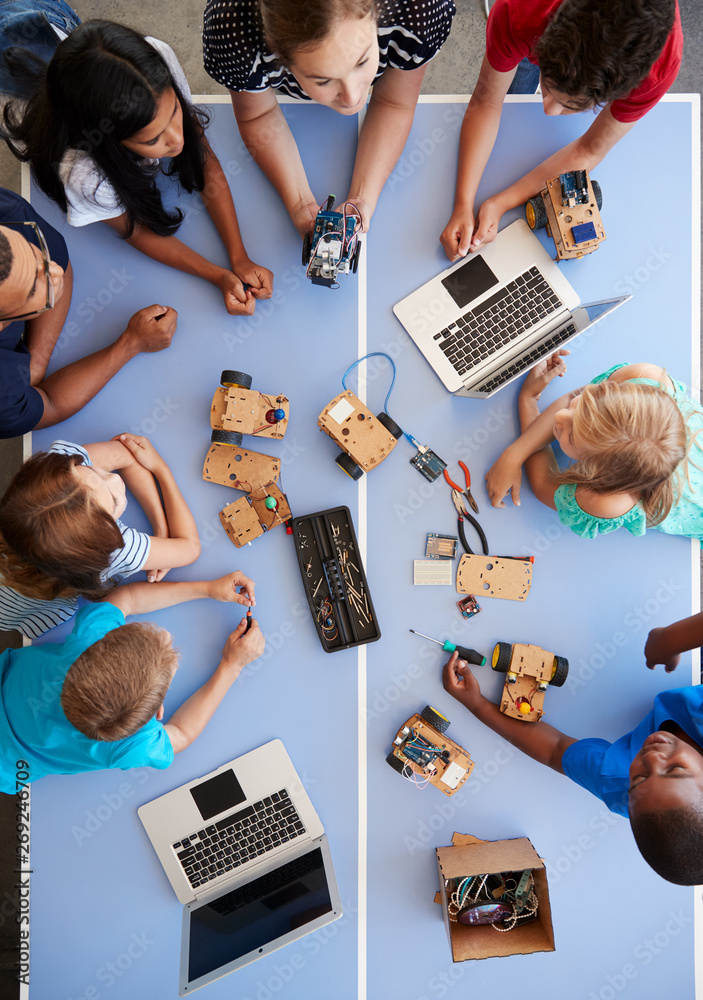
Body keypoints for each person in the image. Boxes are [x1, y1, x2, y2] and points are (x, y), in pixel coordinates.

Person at [1, 20, 272, 315]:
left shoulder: (155, 61)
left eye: (175, 112)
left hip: (43, 18)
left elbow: (200, 152)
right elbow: (135, 230)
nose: (178, 139)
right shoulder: (83, 174)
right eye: (153, 138)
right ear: (109, 144)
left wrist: (239, 256)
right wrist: (216, 275)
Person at [440, 0, 682, 260]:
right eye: (547, 83)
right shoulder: (519, 11)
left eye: (569, 105)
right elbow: (486, 101)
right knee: (517, 84)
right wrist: (463, 204)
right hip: (529, 28)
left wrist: (499, 204)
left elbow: (591, 148)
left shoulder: (659, 68)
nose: (548, 110)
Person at [442, 649, 703, 885]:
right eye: (676, 770)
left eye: (640, 779)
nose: (653, 758)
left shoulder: (620, 782)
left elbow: (555, 749)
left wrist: (476, 703)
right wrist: (672, 639)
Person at [202, 0, 456, 236]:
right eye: (323, 80)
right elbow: (258, 114)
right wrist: (300, 203)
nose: (352, 97)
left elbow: (394, 102)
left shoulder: (419, 9)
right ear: (276, 51)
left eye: (362, 61)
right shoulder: (233, 35)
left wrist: (362, 200)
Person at [0, 571, 264, 792]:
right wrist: (232, 666)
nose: (169, 638)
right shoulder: (133, 744)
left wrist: (207, 588)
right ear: (157, 708)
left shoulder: (88, 644)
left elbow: (125, 599)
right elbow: (180, 735)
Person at [0, 186, 177, 438]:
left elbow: (59, 262)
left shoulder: (8, 214)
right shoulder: (3, 396)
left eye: (33, 252)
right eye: (33, 287)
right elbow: (51, 403)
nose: (55, 272)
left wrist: (35, 367)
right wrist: (130, 343)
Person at [0, 434, 206, 639]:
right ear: (101, 541)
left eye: (92, 470)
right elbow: (190, 547)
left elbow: (127, 453)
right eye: (115, 501)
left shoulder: (60, 467)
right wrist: (162, 470)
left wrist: (161, 529)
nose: (115, 479)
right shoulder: (116, 551)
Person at [485, 351, 703, 541]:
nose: (559, 416)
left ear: (594, 474)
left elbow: (544, 484)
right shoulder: (643, 376)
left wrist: (528, 400)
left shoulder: (606, 502)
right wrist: (513, 454)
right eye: (575, 407)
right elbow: (573, 395)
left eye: (570, 437)